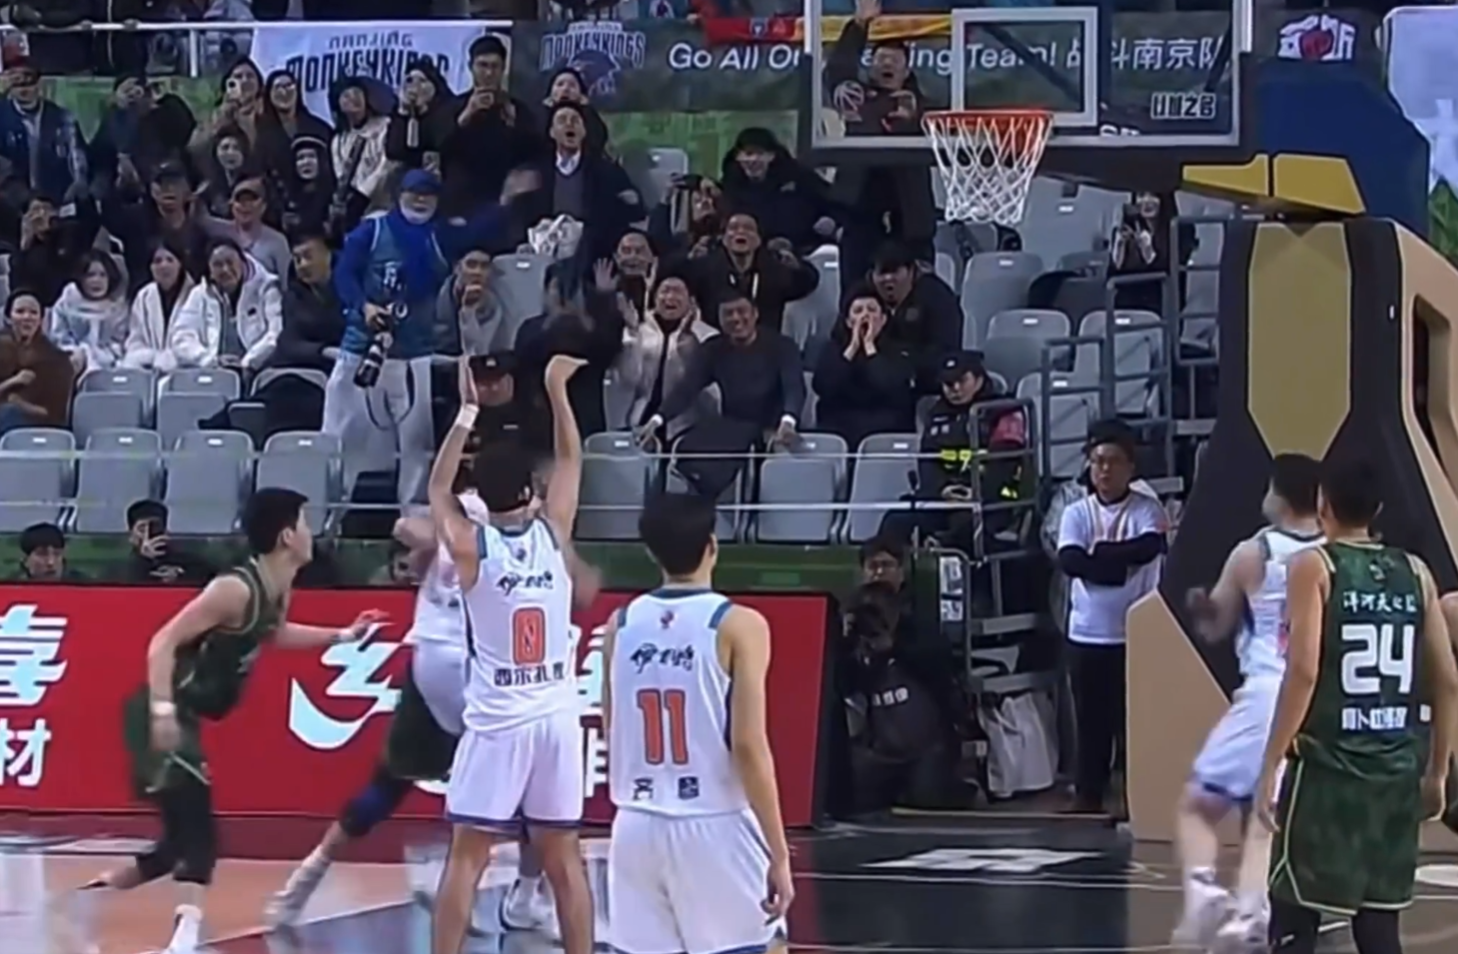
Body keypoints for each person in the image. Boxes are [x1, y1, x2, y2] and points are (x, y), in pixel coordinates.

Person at [57, 488, 387, 954]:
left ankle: (80, 900)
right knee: (201, 833)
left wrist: (343, 635)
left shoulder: (278, 587)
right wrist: (162, 711)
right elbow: (163, 641)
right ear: (287, 535)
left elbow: (274, 633)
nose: (311, 532)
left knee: (175, 846)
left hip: (188, 714)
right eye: (305, 522)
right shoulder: (233, 589)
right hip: (163, 711)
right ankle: (185, 938)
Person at [427, 353, 596, 954]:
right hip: (556, 718)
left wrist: (467, 411)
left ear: (481, 495)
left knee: (467, 858)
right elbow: (572, 459)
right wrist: (556, 390)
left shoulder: (471, 548)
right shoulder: (554, 533)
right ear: (531, 491)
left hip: (499, 720)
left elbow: (437, 488)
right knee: (564, 860)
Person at [1254, 457, 1458, 954]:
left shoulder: (1315, 566)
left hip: (1329, 771)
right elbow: (1448, 680)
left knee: (1293, 910)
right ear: (1379, 509)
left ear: (1322, 503)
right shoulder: (1416, 571)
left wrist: (1271, 760)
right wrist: (1437, 772)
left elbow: (1303, 671)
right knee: (1379, 923)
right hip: (1394, 771)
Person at [601, 491, 794, 954]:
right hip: (713, 822)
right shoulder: (740, 625)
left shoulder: (619, 624)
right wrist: (779, 851)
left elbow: (613, 727)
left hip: (635, 825)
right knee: (767, 945)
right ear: (713, 545)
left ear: (651, 552)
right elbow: (748, 746)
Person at [1171, 453, 1323, 949]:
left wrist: (1200, 605)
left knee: (1198, 805)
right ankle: (1253, 911)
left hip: (1269, 692)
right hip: (1322, 697)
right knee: (1267, 814)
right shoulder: (1334, 553)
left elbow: (1216, 625)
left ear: (1278, 494)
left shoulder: (1253, 552)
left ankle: (1205, 895)